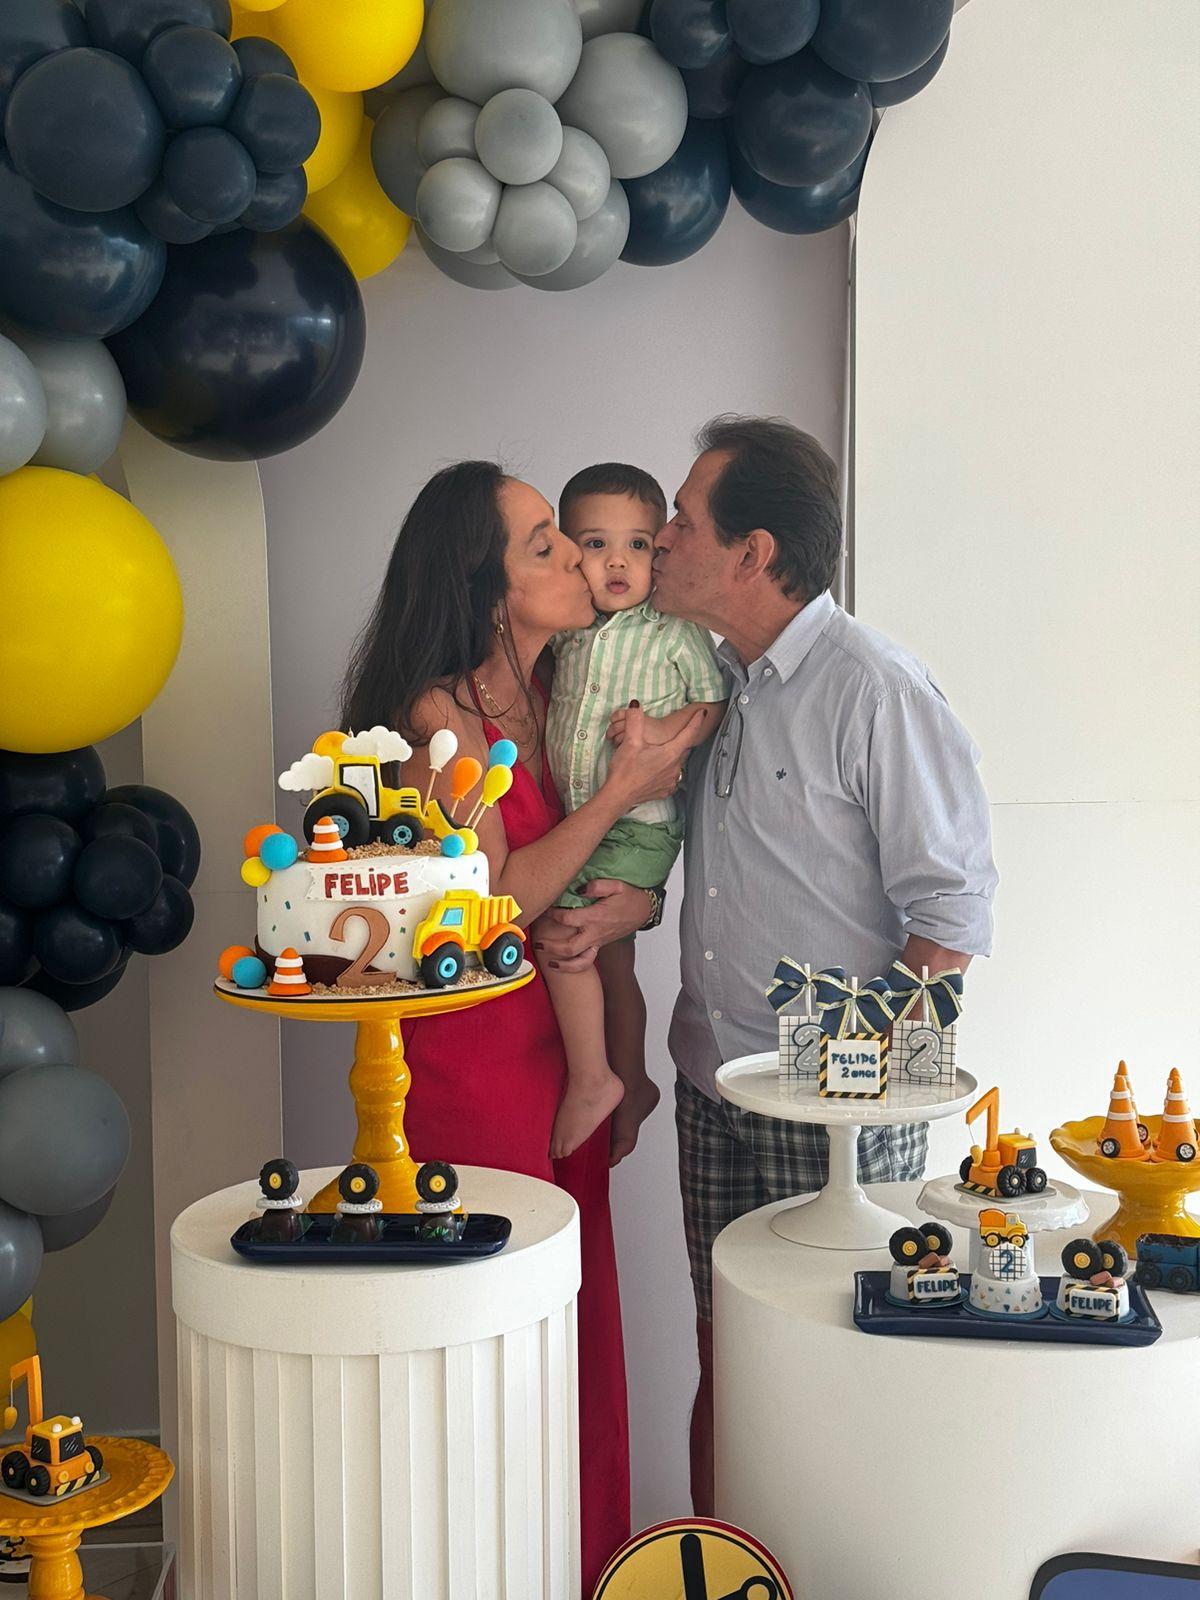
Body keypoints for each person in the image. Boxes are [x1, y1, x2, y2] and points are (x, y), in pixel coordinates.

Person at [537, 415, 998, 1515]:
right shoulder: (720, 683)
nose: (660, 545)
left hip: (837, 1116)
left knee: (841, 1370)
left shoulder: (874, 686)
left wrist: (860, 1084)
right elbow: (720, 859)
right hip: (716, 1087)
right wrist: (629, 904)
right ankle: (730, 1566)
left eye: (682, 526)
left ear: (751, 554)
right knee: (730, 1360)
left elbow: (953, 912)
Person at [339, 459, 703, 1589]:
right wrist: (619, 786)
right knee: (498, 1334)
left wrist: (640, 896)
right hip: (480, 1073)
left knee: (574, 1328)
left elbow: (601, 877)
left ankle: (577, 1561)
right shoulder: (435, 718)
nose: (578, 562)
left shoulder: (556, 698)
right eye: (544, 544)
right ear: (485, 586)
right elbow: (498, 900)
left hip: (564, 1064)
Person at [543, 463, 726, 1163]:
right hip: (586, 818)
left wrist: (660, 731)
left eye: (639, 544)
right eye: (594, 544)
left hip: (638, 821)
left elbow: (712, 705)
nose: (617, 561)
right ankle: (634, 1080)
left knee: (567, 939)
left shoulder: (673, 633)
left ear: (659, 552)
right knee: (612, 964)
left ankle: (594, 1080)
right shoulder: (571, 633)